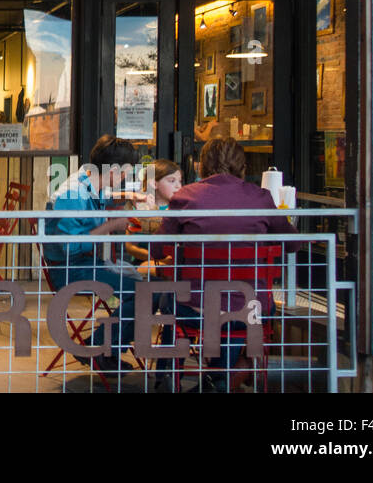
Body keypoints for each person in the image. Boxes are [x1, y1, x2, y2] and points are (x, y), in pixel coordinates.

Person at [147, 137, 292, 382]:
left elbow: (158, 250)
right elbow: (294, 243)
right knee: (234, 308)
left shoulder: (186, 197)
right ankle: (220, 379)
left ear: (202, 164)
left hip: (195, 310)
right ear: (241, 164)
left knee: (168, 298)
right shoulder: (262, 198)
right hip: (250, 311)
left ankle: (169, 376)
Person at [42, 134, 140, 374]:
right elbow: (69, 247)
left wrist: (129, 198)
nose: (128, 177)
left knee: (148, 288)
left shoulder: (89, 182)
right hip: (68, 270)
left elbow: (100, 202)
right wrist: (111, 226)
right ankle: (97, 348)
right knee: (146, 293)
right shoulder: (72, 193)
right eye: (127, 172)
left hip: (86, 263)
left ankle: (105, 349)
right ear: (115, 170)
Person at [124, 159, 183, 263]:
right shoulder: (139, 209)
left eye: (180, 181)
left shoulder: (181, 208)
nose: (178, 186)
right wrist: (157, 259)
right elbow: (130, 247)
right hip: (143, 264)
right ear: (154, 184)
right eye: (172, 181)